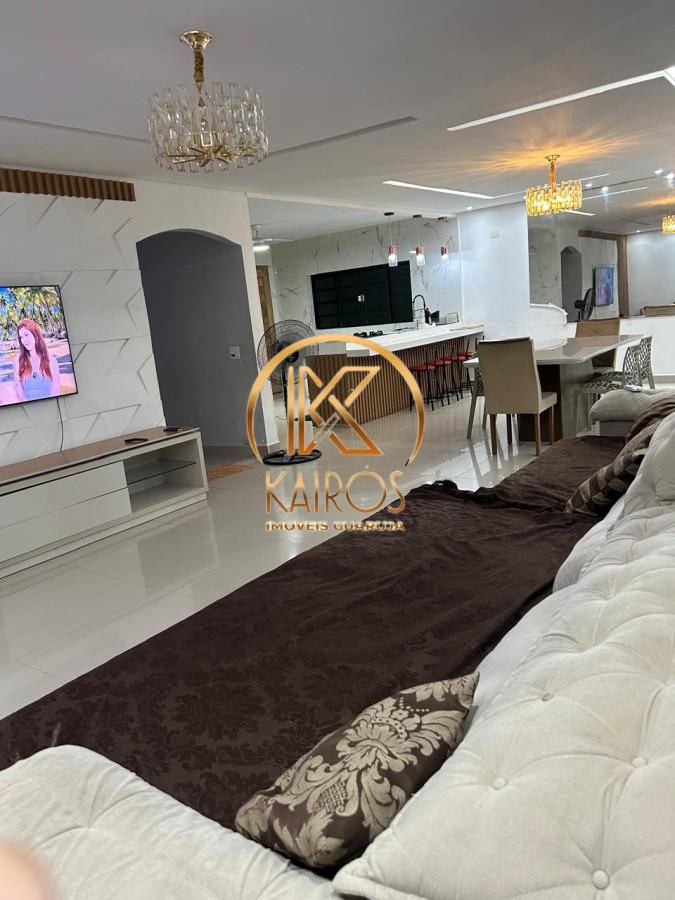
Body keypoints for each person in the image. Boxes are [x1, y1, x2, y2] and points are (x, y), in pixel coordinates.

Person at [13, 319, 61, 402]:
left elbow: (56, 390)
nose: (24, 340)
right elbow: (18, 388)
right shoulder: (18, 361)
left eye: (26, 335)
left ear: (36, 334)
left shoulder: (51, 361)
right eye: (21, 337)